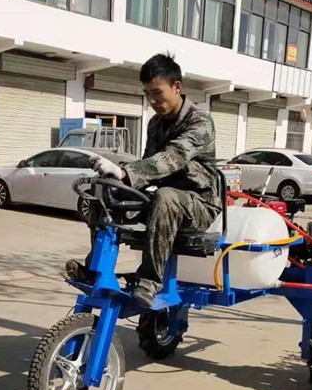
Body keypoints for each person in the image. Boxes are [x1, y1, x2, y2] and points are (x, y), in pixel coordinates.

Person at [65, 53, 220, 307]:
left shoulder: (200, 121)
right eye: (147, 93)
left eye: (157, 92)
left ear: (177, 87)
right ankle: (96, 269)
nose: (152, 100)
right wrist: (119, 178)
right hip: (164, 202)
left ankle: (149, 281)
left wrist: (128, 173)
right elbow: (149, 163)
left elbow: (173, 157)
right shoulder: (155, 124)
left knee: (165, 196)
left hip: (198, 205)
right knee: (105, 194)